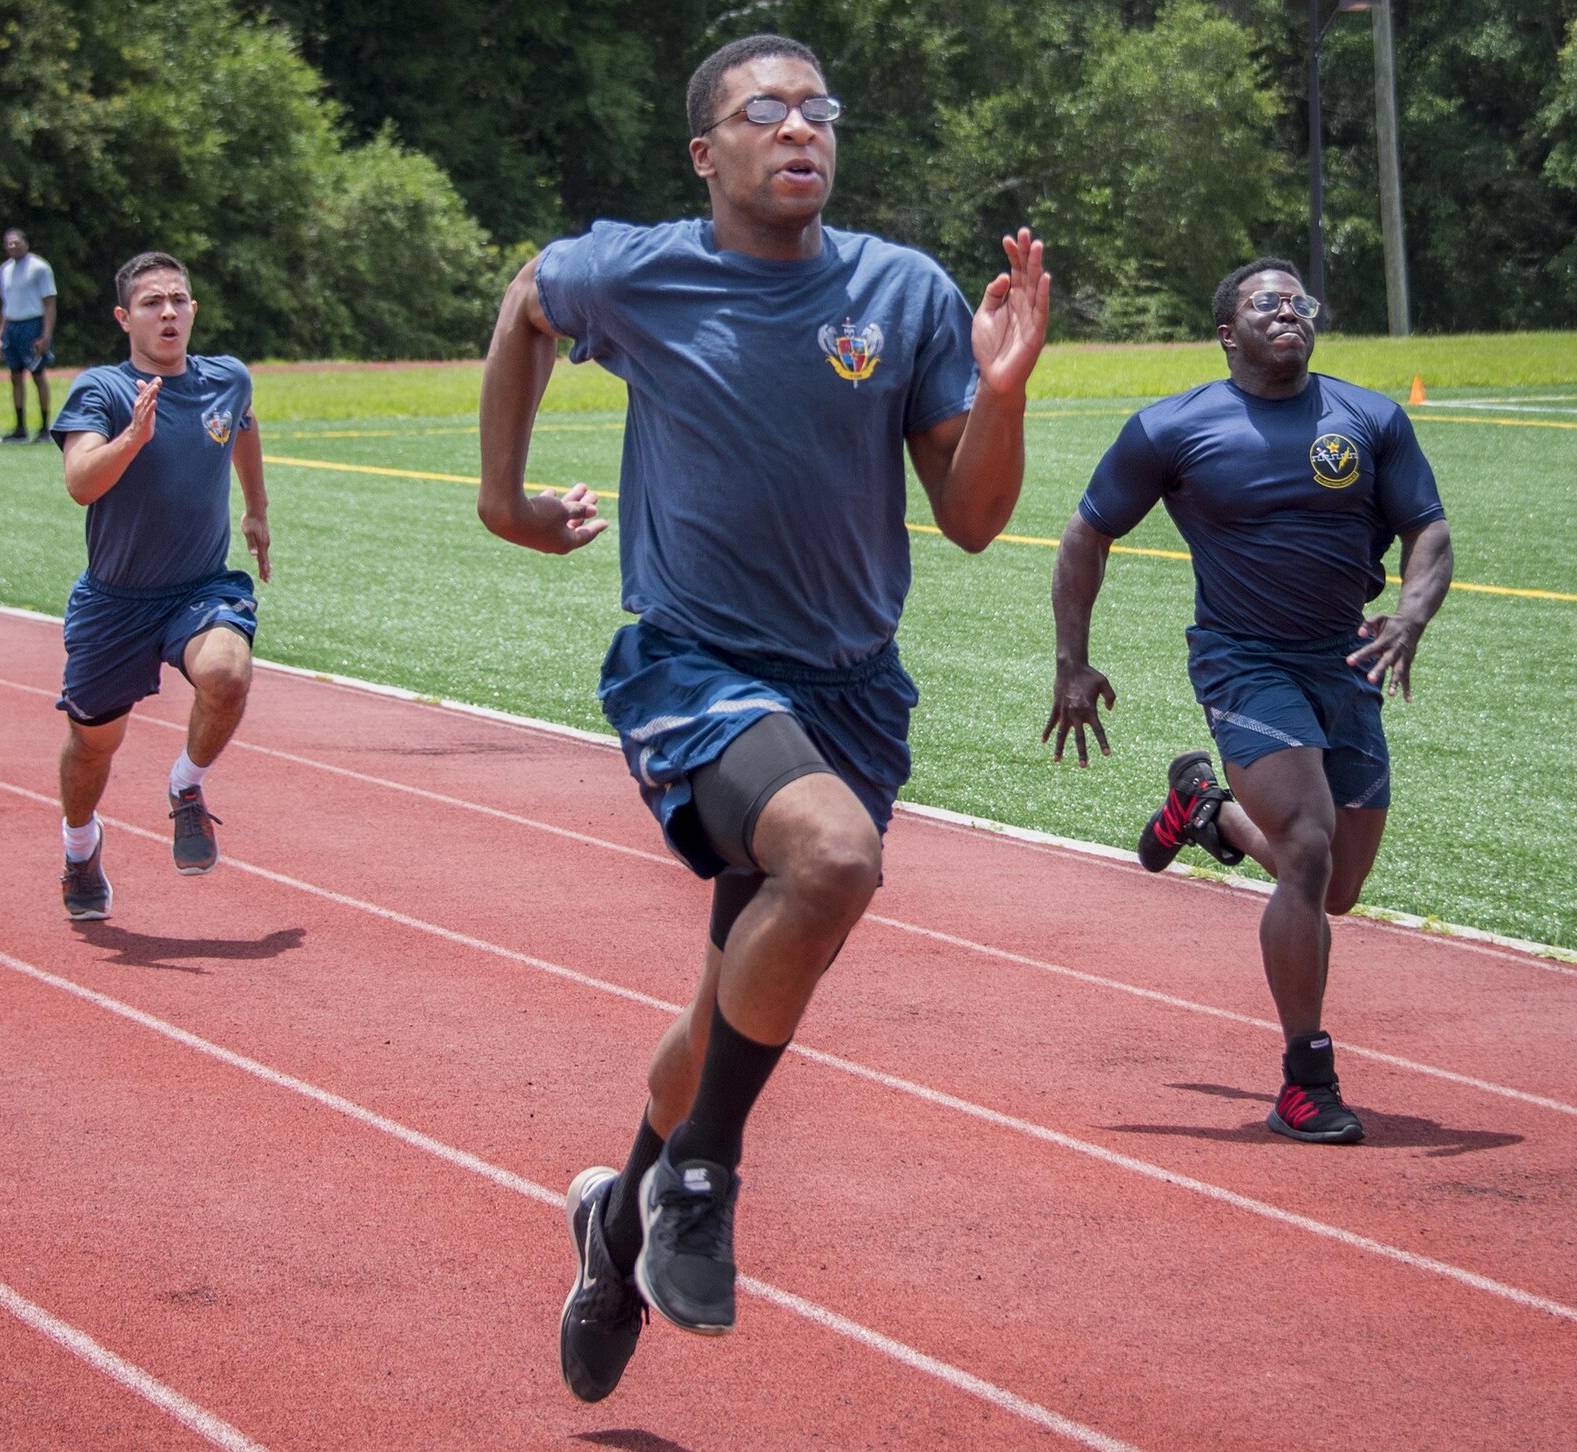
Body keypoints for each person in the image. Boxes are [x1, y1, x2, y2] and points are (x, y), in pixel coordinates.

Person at [476, 33, 1049, 1399]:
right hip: (696, 665)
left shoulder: (899, 293)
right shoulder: (639, 269)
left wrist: (1008, 388)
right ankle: (704, 1183)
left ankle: (616, 1218)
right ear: (708, 152)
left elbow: (970, 518)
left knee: (724, 1000)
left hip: (850, 688)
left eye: (819, 111)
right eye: (766, 112)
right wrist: (503, 503)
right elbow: (525, 307)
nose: (801, 130)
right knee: (834, 859)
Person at [1043, 258, 1452, 1147]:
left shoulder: (1371, 419)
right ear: (1229, 332)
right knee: (1306, 847)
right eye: (1267, 304)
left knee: (1337, 886)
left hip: (1346, 662)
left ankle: (1208, 813)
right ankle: (1307, 1080)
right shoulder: (1172, 429)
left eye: (1298, 301)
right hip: (1242, 660)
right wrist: (1073, 663)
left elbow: (1430, 529)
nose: (1288, 312)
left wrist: (1411, 616)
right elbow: (1087, 534)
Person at [50, 250, 269, 921]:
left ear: (193, 310)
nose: (168, 312)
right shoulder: (103, 391)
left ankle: (185, 788)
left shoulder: (226, 379)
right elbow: (80, 482)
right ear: (124, 317)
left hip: (200, 587)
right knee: (94, 746)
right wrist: (131, 440)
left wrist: (257, 507)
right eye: (151, 303)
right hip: (116, 601)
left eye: (178, 300)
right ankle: (80, 847)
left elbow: (244, 426)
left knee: (228, 676)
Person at [0, 228, 58, 442]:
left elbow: (49, 303)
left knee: (38, 375)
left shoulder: (39, 267)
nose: (13, 246)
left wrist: (45, 335)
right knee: (15, 376)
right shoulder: (4, 269)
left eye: (17, 242)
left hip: (32, 325)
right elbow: (6, 304)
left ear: (26, 244)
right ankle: (20, 428)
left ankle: (44, 427)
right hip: (12, 325)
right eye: (9, 243)